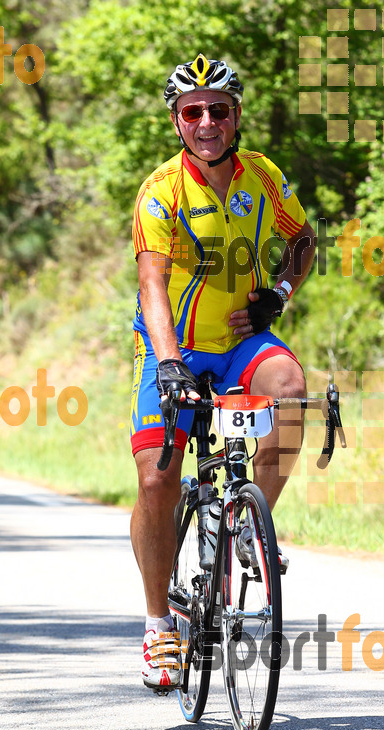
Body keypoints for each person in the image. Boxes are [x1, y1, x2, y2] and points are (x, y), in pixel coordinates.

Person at [130, 54, 316, 691]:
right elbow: (152, 285)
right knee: (159, 478)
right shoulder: (161, 191)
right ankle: (159, 626)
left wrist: (281, 292)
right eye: (193, 112)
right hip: (173, 344)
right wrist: (169, 362)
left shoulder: (263, 177)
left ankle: (246, 521)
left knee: (292, 391)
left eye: (218, 110)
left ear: (236, 116)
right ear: (178, 121)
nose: (206, 121)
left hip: (241, 342)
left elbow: (304, 239)